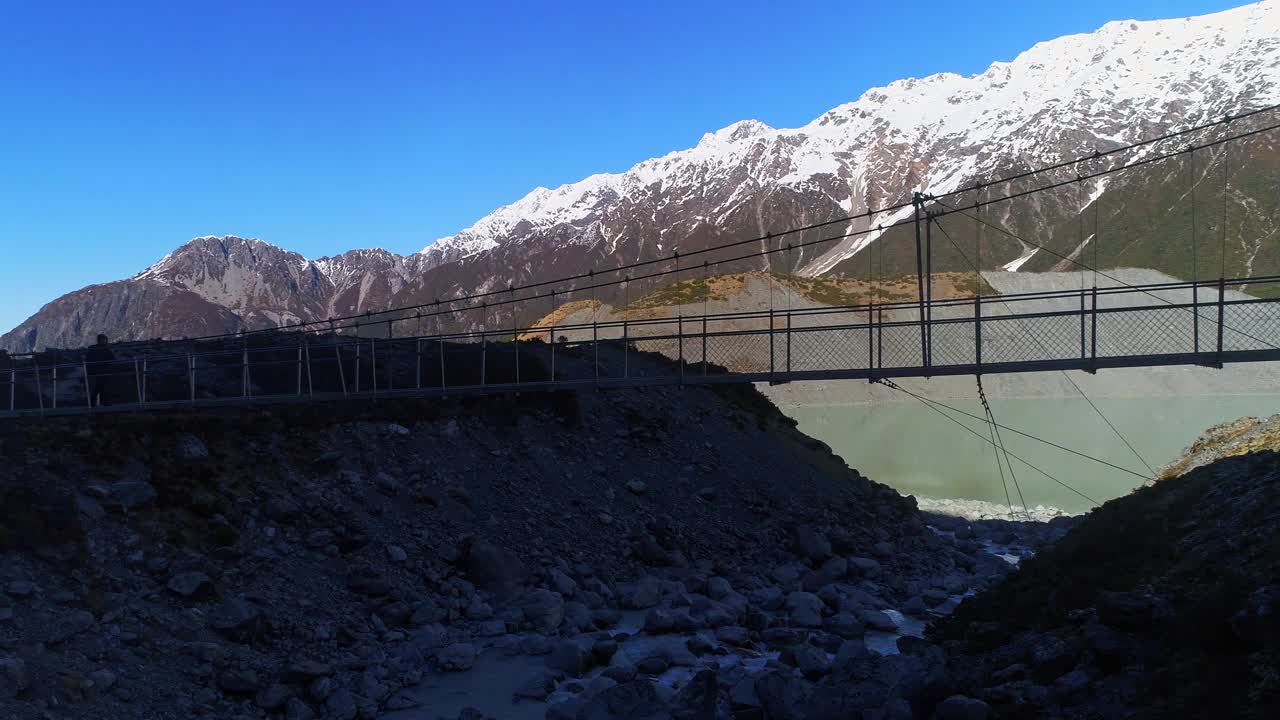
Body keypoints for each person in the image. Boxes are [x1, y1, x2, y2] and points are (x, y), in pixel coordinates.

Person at [85, 334, 114, 407]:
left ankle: (96, 404)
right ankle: (105, 404)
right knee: (102, 389)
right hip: (101, 372)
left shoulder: (93, 349)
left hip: (99, 372)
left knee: (99, 389)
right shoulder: (105, 349)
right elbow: (111, 358)